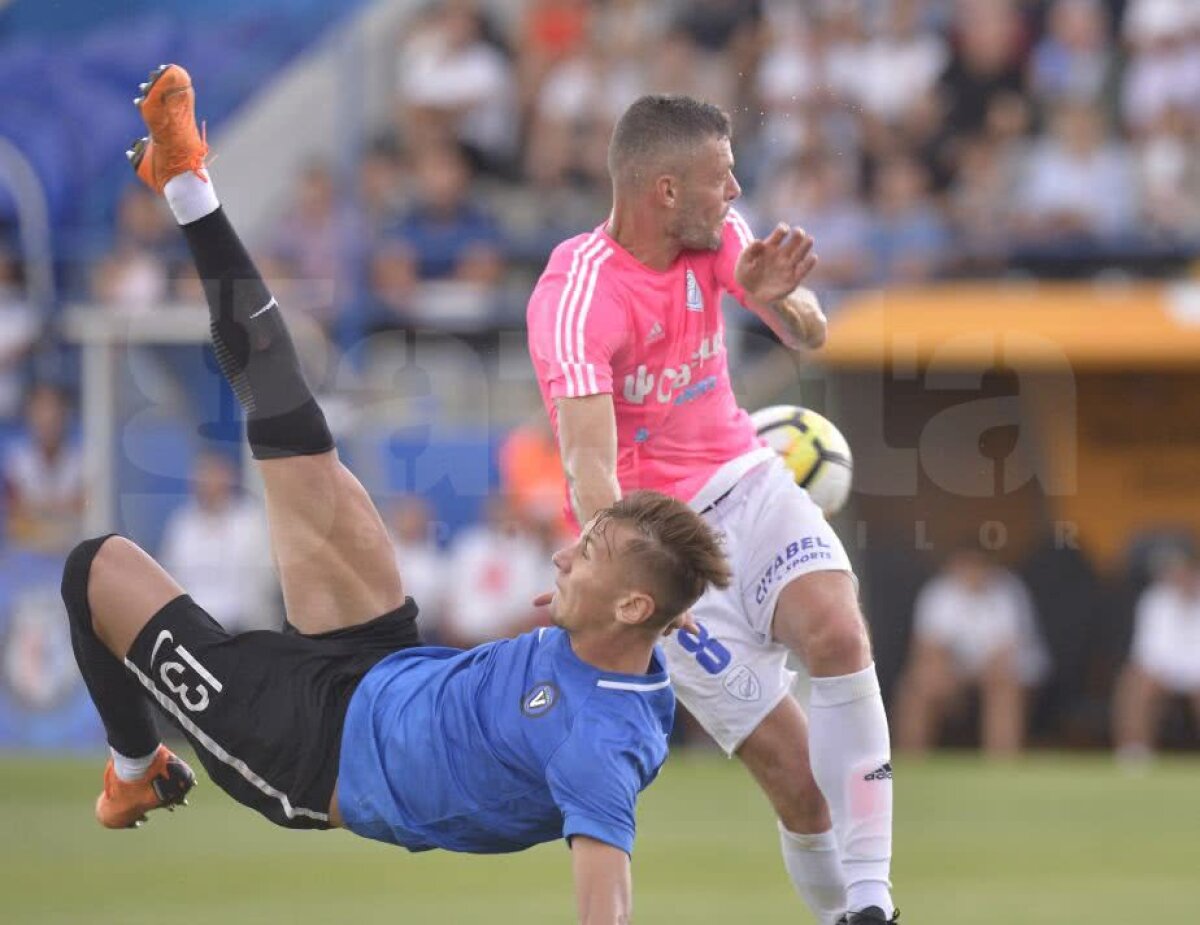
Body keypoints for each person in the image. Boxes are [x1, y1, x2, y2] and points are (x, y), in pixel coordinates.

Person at [64, 64, 732, 924]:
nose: (566, 548)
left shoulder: (602, 744)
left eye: (588, 553)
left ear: (631, 600)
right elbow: (646, 598)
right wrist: (602, 589)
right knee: (287, 408)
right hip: (383, 653)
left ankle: (132, 772)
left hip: (312, 754)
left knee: (94, 568)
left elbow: (606, 901)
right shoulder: (626, 628)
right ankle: (187, 181)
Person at [527, 95, 897, 925]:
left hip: (746, 478)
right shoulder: (578, 297)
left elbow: (811, 333)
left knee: (838, 632)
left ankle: (874, 897)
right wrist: (635, 586)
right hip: (657, 542)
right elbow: (589, 468)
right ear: (664, 189)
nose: (735, 192)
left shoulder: (717, 235)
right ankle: (843, 915)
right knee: (796, 779)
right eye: (720, 178)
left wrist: (786, 303)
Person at [894, 547, 1050, 757]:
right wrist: (946, 681)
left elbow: (1004, 655)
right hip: (956, 672)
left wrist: (974, 677)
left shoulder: (1007, 590)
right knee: (919, 685)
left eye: (978, 566)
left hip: (1004, 672)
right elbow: (928, 650)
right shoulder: (938, 592)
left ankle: (1002, 764)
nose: (972, 573)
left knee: (1003, 687)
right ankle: (911, 760)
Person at [1113, 547, 1200, 763]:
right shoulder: (1154, 599)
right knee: (1135, 682)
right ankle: (1135, 752)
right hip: (1162, 669)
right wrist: (1160, 674)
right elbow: (1148, 650)